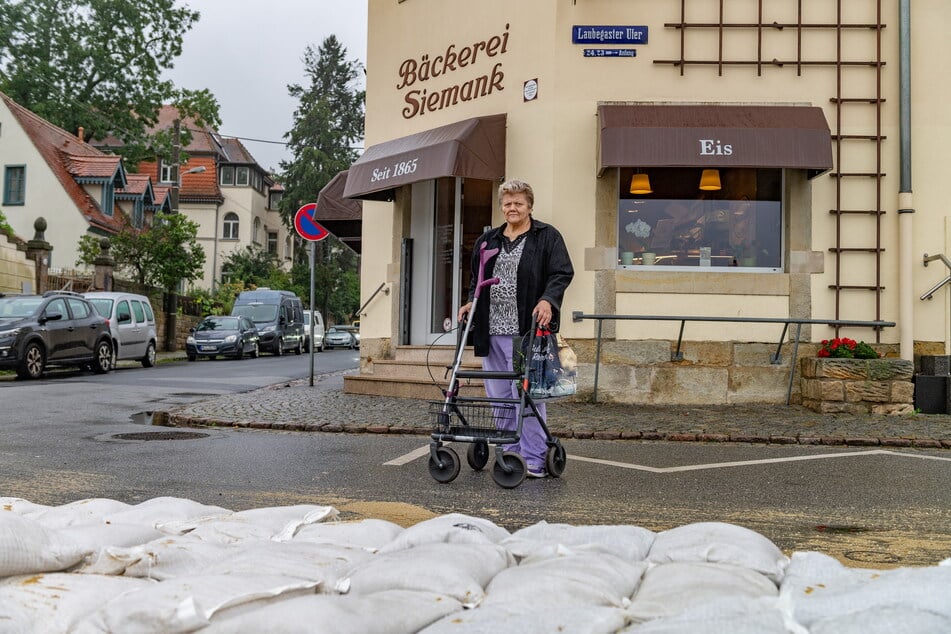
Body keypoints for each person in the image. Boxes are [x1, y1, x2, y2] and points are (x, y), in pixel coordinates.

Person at [457, 179, 574, 478]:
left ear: (529, 206)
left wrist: (548, 299)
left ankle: (533, 458)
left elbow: (561, 272)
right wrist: (472, 301)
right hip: (490, 327)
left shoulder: (547, 236)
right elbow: (477, 278)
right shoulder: (489, 240)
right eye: (507, 203)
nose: (512, 208)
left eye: (518, 203)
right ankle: (510, 453)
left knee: (525, 394)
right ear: (501, 207)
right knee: (498, 393)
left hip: (526, 330)